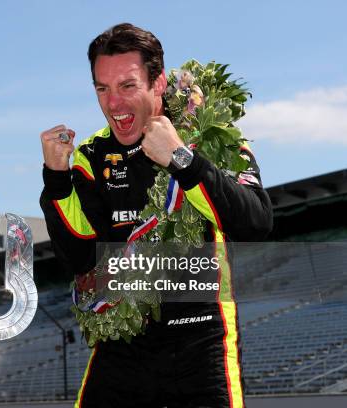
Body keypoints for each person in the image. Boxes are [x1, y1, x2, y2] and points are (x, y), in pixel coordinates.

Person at [39, 23, 273, 408]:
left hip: (200, 337)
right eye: (102, 88)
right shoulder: (92, 156)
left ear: (159, 82)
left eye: (127, 86)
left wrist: (183, 160)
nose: (113, 103)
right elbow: (80, 260)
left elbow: (257, 222)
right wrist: (57, 181)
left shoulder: (209, 132)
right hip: (122, 342)